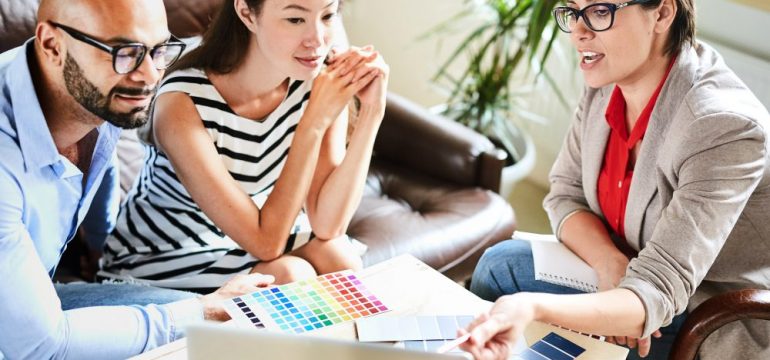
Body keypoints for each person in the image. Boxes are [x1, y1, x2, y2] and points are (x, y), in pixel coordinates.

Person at [463, 0, 770, 359]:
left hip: (696, 309)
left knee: (506, 279)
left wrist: (533, 307)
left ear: (662, 13)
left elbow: (659, 288)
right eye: (573, 11)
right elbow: (565, 192)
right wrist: (610, 264)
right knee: (502, 265)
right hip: (630, 270)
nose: (579, 31)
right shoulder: (608, 79)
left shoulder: (721, 127)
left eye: (599, 11)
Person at [0, 0, 277, 358]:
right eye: (124, 51)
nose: (150, 74)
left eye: (159, 49)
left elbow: (102, 163)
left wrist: (100, 242)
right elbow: (41, 345)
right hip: (25, 339)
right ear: (53, 45)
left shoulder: (98, 97)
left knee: (235, 325)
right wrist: (203, 311)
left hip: (39, 301)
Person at [97, 0, 389, 292]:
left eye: (327, 16)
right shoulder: (181, 103)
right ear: (247, 13)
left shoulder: (315, 79)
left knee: (340, 259)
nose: (318, 39)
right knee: (289, 275)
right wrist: (312, 123)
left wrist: (372, 112)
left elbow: (328, 225)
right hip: (164, 251)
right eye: (295, 20)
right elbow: (266, 244)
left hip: (248, 233)